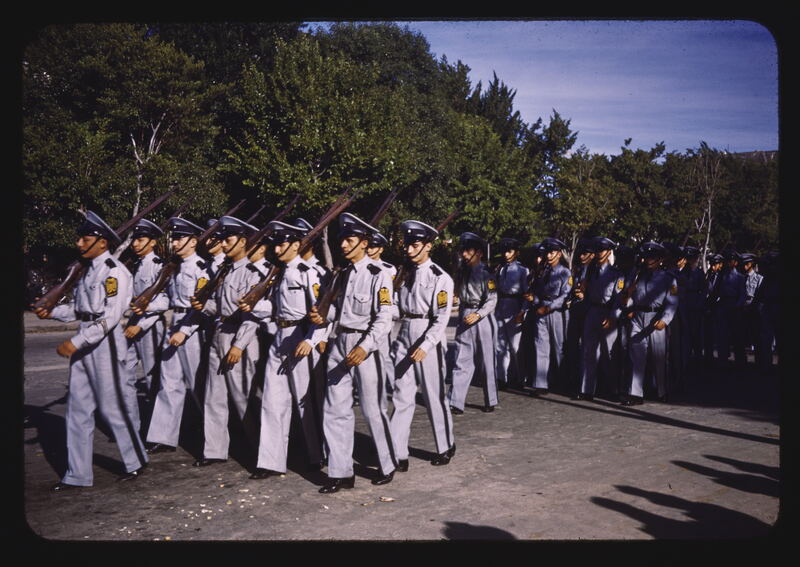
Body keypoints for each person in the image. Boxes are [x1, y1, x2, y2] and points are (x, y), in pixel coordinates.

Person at [34, 211, 148, 490]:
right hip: (85, 340)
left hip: (104, 343)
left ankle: (136, 460)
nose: (79, 243)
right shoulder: (86, 271)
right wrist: (52, 312)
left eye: (85, 239)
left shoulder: (114, 272)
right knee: (77, 409)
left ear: (102, 242)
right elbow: (80, 309)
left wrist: (78, 341)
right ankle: (77, 475)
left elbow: (110, 317)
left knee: (112, 407)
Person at [308, 212, 398, 493]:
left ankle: (387, 464)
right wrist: (322, 317)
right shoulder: (341, 274)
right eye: (342, 240)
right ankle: (341, 472)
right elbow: (338, 310)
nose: (343, 245)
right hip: (340, 341)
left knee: (372, 409)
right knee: (335, 409)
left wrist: (365, 346)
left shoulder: (379, 275)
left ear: (364, 242)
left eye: (349, 240)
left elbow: (384, 317)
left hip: (365, 346)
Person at [249, 220, 326, 479]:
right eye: (276, 245)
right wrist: (251, 306)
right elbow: (275, 307)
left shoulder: (308, 272)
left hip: (300, 336)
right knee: (272, 400)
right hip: (280, 338)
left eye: (282, 244)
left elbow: (322, 313)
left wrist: (312, 340)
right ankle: (271, 461)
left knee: (305, 401)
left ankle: (316, 454)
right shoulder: (279, 272)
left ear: (295, 245)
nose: (277, 249)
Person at [191, 215, 266, 467]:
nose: (222, 244)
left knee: (243, 397)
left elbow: (253, 315)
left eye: (228, 240)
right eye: (222, 240)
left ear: (243, 242)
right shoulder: (225, 270)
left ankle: (262, 452)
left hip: (239, 336)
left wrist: (238, 345)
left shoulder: (252, 273)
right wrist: (204, 306)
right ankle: (214, 450)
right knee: (213, 395)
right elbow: (221, 307)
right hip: (219, 332)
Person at [389, 220, 456, 471]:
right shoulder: (403, 273)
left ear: (428, 246)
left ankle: (445, 445)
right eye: (407, 245)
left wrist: (427, 344)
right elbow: (397, 307)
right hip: (405, 330)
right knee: (401, 395)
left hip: (428, 333)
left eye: (415, 245)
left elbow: (442, 317)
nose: (409, 250)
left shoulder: (440, 277)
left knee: (433, 395)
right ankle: (398, 452)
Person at [143, 217, 210, 455]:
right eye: (174, 238)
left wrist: (185, 331)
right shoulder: (174, 267)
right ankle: (163, 437)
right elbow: (168, 299)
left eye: (180, 238)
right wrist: (147, 305)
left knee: (199, 385)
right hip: (175, 325)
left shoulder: (202, 268)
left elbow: (202, 306)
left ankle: (213, 435)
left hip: (193, 330)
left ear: (193, 241)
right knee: (169, 383)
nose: (175, 243)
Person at [447, 232, 499, 413]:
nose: (464, 254)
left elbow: (492, 300)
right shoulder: (462, 271)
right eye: (463, 250)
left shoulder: (486, 274)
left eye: (468, 251)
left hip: (482, 318)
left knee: (486, 360)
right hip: (465, 315)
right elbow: (459, 294)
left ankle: (490, 399)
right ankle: (456, 401)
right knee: (461, 359)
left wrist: (478, 314)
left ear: (479, 253)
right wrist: (456, 300)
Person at [622, 241, 678, 406]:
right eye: (646, 256)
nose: (648, 260)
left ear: (660, 259)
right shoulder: (637, 275)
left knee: (659, 358)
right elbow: (628, 295)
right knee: (636, 357)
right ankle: (635, 394)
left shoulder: (668, 278)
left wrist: (665, 320)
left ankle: (662, 391)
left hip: (656, 318)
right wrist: (628, 304)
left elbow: (672, 302)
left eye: (652, 257)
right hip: (638, 317)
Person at [123, 219, 168, 411]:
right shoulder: (137, 264)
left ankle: (155, 419)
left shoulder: (159, 266)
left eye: (140, 240)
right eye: (134, 240)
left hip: (150, 325)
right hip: (133, 322)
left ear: (152, 242)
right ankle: (131, 417)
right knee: (125, 371)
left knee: (152, 376)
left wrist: (141, 325)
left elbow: (164, 301)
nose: (135, 244)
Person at [578, 237, 625, 401]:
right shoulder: (590, 271)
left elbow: (619, 299)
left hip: (607, 312)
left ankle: (614, 390)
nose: (599, 253)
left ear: (609, 252)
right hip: (592, 311)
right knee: (588, 351)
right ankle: (587, 390)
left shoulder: (616, 274)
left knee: (609, 353)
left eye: (602, 250)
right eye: (597, 250)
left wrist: (613, 317)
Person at [528, 237, 572, 396]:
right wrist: (535, 300)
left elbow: (565, 295)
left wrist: (549, 307)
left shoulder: (565, 273)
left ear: (559, 254)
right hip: (542, 310)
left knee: (559, 348)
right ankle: (541, 384)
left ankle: (562, 382)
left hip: (557, 313)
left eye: (552, 252)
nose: (548, 256)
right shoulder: (543, 272)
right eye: (547, 252)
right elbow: (539, 292)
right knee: (541, 346)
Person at [493, 237, 529, 389]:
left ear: (517, 253)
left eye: (510, 251)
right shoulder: (500, 269)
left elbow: (527, 293)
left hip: (515, 306)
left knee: (515, 346)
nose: (506, 254)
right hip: (501, 306)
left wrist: (523, 311)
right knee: (500, 345)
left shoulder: (522, 270)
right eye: (504, 251)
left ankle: (520, 378)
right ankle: (502, 377)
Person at [366, 231, 400, 393]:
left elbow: (393, 295)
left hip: (383, 314)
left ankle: (393, 385)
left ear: (380, 249)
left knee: (384, 353)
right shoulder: (360, 267)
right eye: (368, 246)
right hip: (364, 315)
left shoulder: (389, 269)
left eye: (373, 247)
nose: (369, 250)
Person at [563, 238, 595, 395]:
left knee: (587, 349)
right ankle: (574, 381)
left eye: (585, 253)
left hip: (589, 310)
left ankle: (586, 385)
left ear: (592, 255)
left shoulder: (595, 271)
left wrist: (585, 295)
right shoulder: (578, 270)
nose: (582, 256)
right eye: (581, 253)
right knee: (573, 347)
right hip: (576, 310)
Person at [714, 250, 747, 369]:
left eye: (731, 260)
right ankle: (722, 360)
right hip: (723, 305)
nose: (729, 263)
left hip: (734, 306)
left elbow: (743, 294)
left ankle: (740, 361)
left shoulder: (740, 277)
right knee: (722, 335)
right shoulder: (721, 276)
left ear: (736, 262)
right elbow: (715, 291)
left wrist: (737, 306)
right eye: (728, 260)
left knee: (737, 336)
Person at [681, 246, 707, 369]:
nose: (690, 261)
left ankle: (698, 361)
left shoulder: (699, 273)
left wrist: (700, 304)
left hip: (696, 306)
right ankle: (685, 361)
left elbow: (704, 290)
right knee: (685, 335)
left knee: (696, 335)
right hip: (685, 305)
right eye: (688, 258)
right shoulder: (682, 272)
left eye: (692, 258)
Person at [738, 253, 763, 357]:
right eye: (743, 264)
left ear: (751, 264)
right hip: (743, 309)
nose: (744, 266)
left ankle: (759, 360)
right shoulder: (742, 278)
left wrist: (754, 308)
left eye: (746, 264)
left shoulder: (759, 278)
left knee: (756, 337)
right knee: (742, 337)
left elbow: (759, 296)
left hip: (754, 310)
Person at [703, 253, 724, 366]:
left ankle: (722, 359)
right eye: (711, 264)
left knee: (720, 334)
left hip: (718, 307)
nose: (712, 267)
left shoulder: (723, 276)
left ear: (720, 264)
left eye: (714, 264)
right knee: (708, 334)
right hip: (708, 307)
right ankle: (708, 357)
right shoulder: (708, 275)